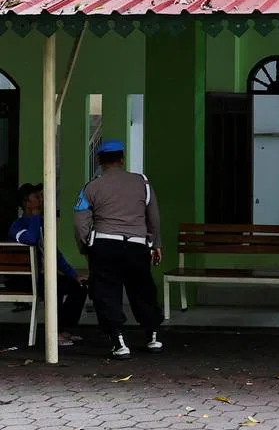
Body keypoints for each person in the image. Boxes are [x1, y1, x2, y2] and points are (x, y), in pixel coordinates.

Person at [73, 140, 164, 359]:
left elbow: (79, 222)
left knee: (106, 293)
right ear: (122, 159)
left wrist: (85, 246)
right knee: (142, 290)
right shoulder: (142, 183)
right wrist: (156, 243)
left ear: (100, 161)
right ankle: (152, 336)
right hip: (136, 245)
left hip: (105, 245)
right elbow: (153, 217)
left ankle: (119, 341)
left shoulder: (91, 186)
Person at [7, 182, 87, 343]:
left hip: (39, 278)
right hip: (22, 280)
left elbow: (54, 255)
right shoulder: (17, 226)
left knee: (78, 286)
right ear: (26, 202)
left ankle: (63, 327)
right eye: (37, 197)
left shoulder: (42, 224)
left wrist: (74, 275)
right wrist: (35, 215)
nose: (42, 200)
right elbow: (31, 239)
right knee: (53, 285)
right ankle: (54, 334)